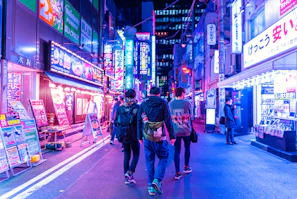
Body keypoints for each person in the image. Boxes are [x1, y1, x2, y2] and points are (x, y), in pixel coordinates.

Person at [137, 87, 176, 196]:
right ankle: (157, 180)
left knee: (149, 161)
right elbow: (168, 120)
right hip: (159, 137)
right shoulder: (163, 103)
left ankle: (151, 187)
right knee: (164, 156)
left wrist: (139, 136)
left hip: (147, 136)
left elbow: (139, 120)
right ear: (159, 94)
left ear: (149, 93)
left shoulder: (143, 103)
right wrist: (172, 136)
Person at [115, 89, 140, 184]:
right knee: (136, 154)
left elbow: (116, 121)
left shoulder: (121, 108)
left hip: (123, 134)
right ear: (134, 97)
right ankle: (130, 172)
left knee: (127, 154)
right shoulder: (137, 107)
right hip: (133, 135)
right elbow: (139, 123)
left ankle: (127, 177)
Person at [169, 87, 193, 180]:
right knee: (187, 148)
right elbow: (191, 116)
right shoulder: (187, 103)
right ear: (182, 93)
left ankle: (177, 172)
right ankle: (186, 167)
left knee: (177, 151)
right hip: (186, 130)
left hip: (175, 131)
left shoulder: (170, 104)